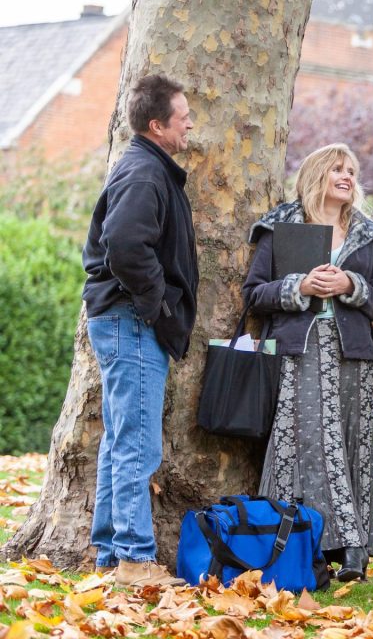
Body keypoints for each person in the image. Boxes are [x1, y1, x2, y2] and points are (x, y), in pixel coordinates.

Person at [243, 143, 373, 583]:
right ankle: (313, 544)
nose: (347, 176)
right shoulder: (283, 226)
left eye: (352, 170)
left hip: (354, 356)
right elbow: (254, 293)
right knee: (307, 446)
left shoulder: (367, 234)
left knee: (350, 446)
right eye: (337, 169)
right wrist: (300, 286)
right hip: (300, 351)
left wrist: (352, 283)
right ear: (316, 176)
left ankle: (354, 548)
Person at [81, 74, 198, 587]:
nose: (190, 121)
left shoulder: (147, 168)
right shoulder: (144, 173)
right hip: (131, 320)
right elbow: (126, 246)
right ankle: (134, 559)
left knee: (121, 439)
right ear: (158, 125)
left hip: (125, 318)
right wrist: (159, 308)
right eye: (183, 115)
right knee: (138, 445)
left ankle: (110, 554)